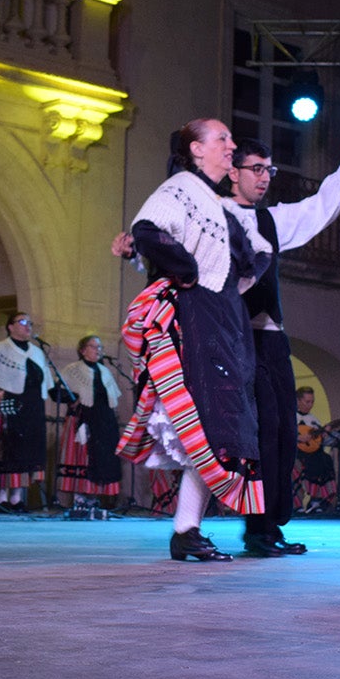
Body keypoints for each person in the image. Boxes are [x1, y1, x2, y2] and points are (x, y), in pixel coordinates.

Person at [118, 118, 267, 561]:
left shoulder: (218, 203)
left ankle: (187, 530)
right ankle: (185, 530)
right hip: (199, 315)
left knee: (220, 423)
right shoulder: (181, 187)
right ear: (196, 150)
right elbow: (147, 230)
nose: (231, 145)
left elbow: (257, 254)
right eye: (222, 139)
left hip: (223, 317)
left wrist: (232, 283)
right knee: (210, 420)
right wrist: (185, 273)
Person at [227, 134, 340, 555]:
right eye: (256, 168)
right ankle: (253, 527)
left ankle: (270, 523)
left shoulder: (270, 220)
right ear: (233, 171)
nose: (265, 177)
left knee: (285, 431)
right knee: (258, 431)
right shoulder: (214, 215)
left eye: (269, 169)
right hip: (234, 336)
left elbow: (318, 210)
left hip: (270, 337)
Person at [0, 311, 70, 512]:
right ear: (10, 326)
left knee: (28, 451)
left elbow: (48, 383)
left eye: (30, 323)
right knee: (9, 450)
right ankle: (0, 497)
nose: (28, 326)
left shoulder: (37, 352)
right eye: (22, 322)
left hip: (33, 408)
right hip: (11, 405)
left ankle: (16, 498)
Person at [54, 335, 124, 514]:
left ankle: (93, 498)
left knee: (101, 459)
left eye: (100, 347)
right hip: (82, 420)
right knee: (83, 458)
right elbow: (56, 392)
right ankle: (80, 498)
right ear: (83, 349)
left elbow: (112, 398)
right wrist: (74, 398)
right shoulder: (73, 369)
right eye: (94, 347)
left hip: (103, 423)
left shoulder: (105, 371)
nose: (98, 350)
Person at [293, 387, 340, 516]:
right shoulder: (290, 416)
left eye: (312, 402)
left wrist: (323, 436)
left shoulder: (314, 420)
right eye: (307, 401)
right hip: (295, 453)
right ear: (297, 401)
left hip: (313, 454)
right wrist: (297, 437)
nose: (310, 405)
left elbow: (317, 442)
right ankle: (296, 505)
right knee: (294, 465)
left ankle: (317, 501)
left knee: (325, 460)